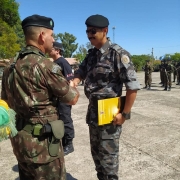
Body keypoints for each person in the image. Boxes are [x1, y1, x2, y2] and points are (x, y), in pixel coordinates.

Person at [1, 14, 79, 179]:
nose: (53, 39)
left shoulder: (10, 67)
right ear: (42, 36)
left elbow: (5, 101)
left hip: (20, 143)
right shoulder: (46, 66)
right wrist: (72, 85)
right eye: (52, 35)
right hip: (43, 147)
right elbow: (72, 98)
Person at [73, 14, 140, 180]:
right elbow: (81, 71)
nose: (89, 34)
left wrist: (124, 114)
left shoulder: (118, 54)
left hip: (110, 115)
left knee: (109, 163)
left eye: (93, 31)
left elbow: (132, 88)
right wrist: (74, 81)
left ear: (105, 31)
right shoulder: (92, 54)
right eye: (87, 31)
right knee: (97, 159)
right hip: (93, 114)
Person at [49, 42, 75, 155]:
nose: (49, 50)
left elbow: (71, 81)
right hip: (56, 98)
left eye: (51, 48)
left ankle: (69, 144)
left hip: (64, 98)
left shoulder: (63, 62)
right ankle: (63, 142)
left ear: (57, 50)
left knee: (66, 119)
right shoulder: (54, 63)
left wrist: (69, 97)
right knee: (59, 120)